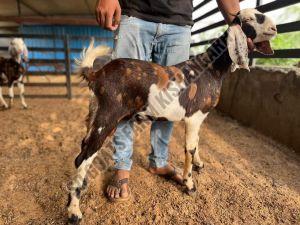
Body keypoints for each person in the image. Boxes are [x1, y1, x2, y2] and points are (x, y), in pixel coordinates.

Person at [95, 0, 254, 201]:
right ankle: (122, 168)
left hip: (179, 23)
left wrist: (241, 25)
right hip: (134, 12)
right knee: (124, 98)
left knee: (174, 100)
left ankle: (159, 161)